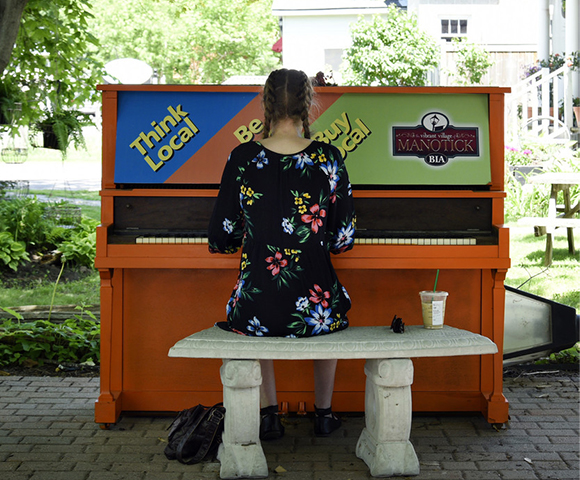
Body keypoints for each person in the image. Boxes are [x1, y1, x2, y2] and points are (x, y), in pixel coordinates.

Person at [208, 68, 355, 440]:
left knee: (261, 309)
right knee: (327, 312)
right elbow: (343, 238)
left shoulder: (241, 157)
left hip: (256, 298)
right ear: (308, 105)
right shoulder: (329, 158)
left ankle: (269, 414)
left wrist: (255, 237)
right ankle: (324, 415)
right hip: (315, 300)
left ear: (265, 104)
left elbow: (222, 233)